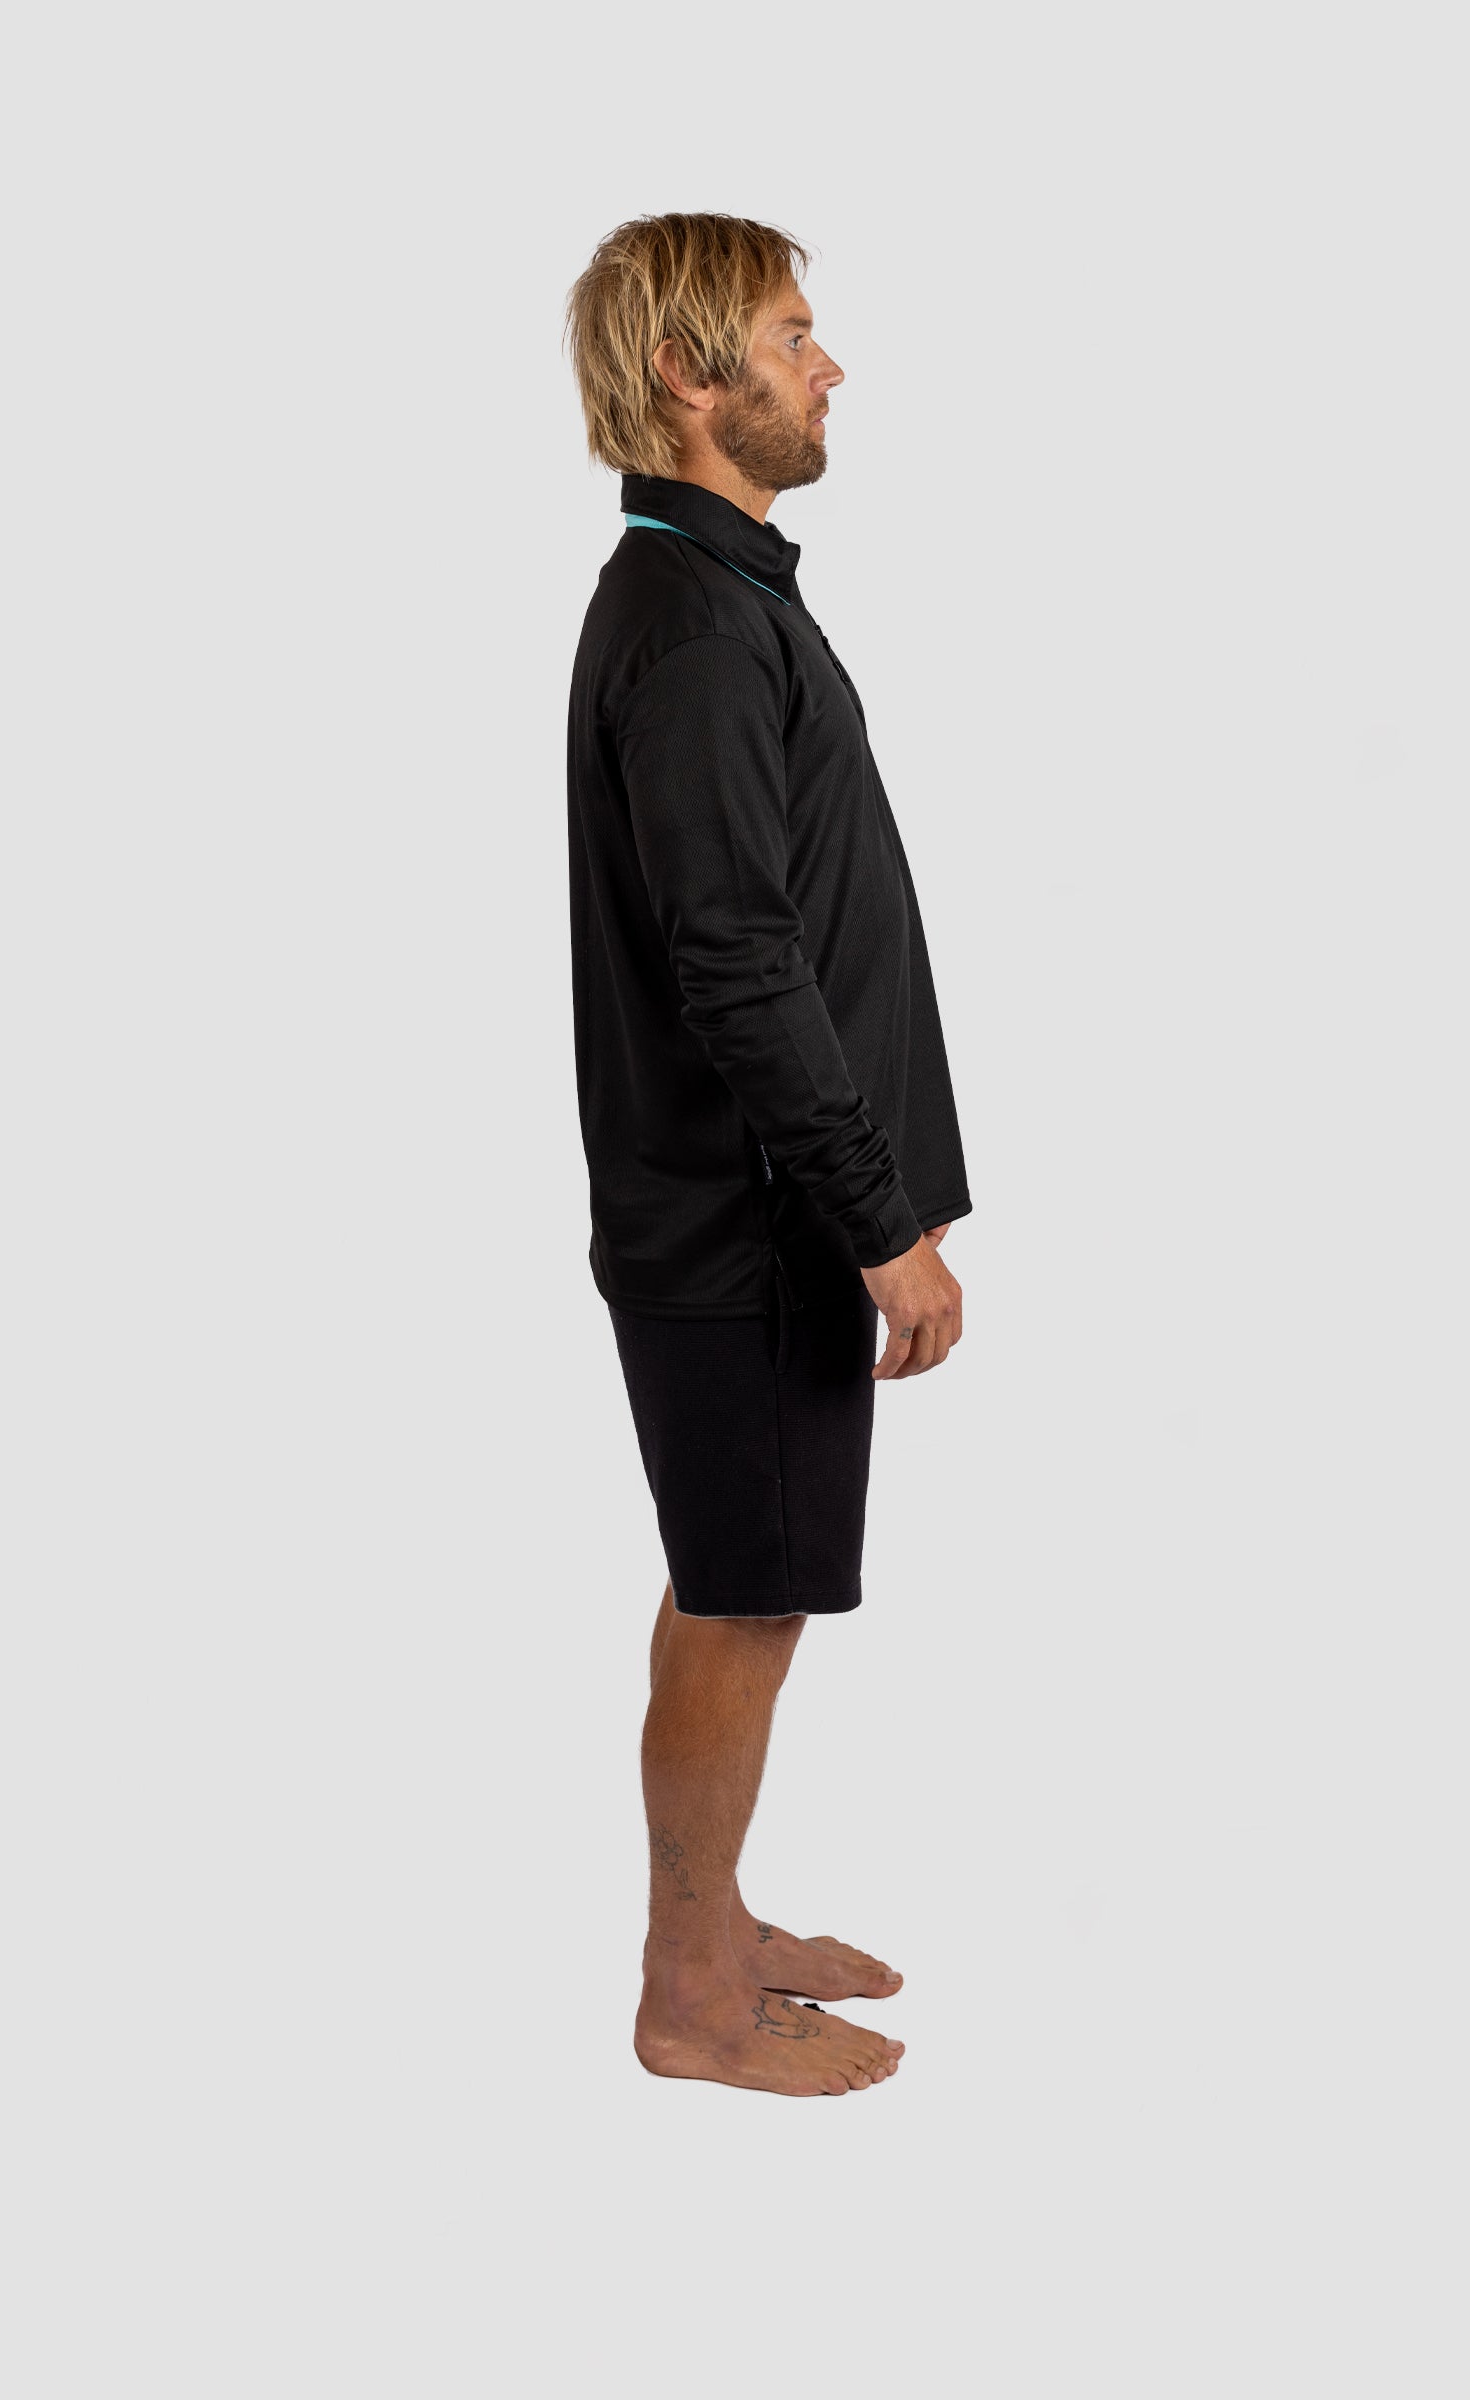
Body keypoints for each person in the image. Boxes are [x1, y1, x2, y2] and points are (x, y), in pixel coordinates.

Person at [565, 215, 971, 2098]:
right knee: (745, 1592)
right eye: (793, 335)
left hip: (759, 1218)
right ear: (688, 374)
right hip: (751, 1228)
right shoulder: (695, 626)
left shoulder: (715, 595)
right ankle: (690, 1995)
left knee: (745, 1577)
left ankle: (711, 1918)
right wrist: (882, 1226)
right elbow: (734, 959)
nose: (829, 367)